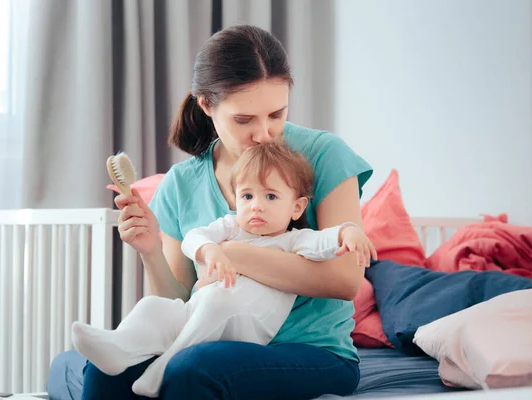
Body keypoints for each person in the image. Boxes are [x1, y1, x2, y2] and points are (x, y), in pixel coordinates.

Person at [81, 24, 374, 400]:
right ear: (205, 104)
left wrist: (233, 254)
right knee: (105, 373)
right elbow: (181, 299)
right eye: (244, 119)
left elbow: (345, 280)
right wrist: (150, 250)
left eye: (276, 114)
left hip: (313, 353)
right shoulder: (181, 183)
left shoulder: (323, 154)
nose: (265, 133)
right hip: (211, 335)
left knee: (193, 370)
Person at [72, 141, 375, 398]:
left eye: (270, 197)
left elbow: (324, 241)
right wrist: (210, 250)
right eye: (247, 196)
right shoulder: (231, 227)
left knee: (217, 303)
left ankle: (162, 366)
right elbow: (195, 237)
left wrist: (348, 233)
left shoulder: (294, 240)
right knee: (153, 306)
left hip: (247, 326)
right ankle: (118, 344)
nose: (256, 206)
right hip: (201, 312)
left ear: (296, 208)